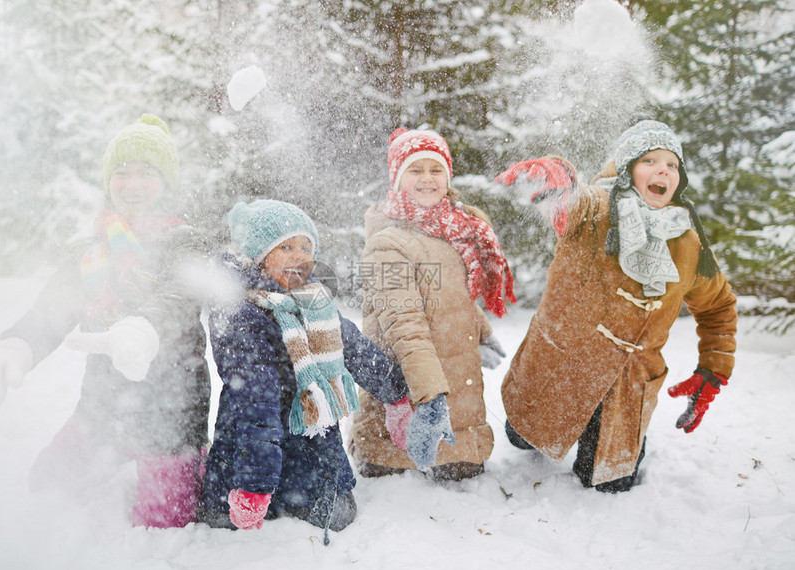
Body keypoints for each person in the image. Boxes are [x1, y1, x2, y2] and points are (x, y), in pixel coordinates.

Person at [0, 114, 211, 526]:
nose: (132, 184)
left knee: (163, 523)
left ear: (167, 183)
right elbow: (52, 309)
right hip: (104, 409)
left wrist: (142, 330)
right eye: (122, 172)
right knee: (46, 486)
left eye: (146, 173)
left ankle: (194, 461)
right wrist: (16, 346)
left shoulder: (185, 241)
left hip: (171, 414)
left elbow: (180, 299)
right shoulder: (89, 251)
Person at [494, 119, 737, 493]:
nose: (663, 170)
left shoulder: (689, 242)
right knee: (523, 438)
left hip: (626, 386)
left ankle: (623, 443)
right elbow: (570, 204)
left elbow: (718, 307)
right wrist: (557, 185)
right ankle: (529, 426)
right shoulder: (597, 208)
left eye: (672, 164)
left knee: (608, 483)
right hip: (564, 367)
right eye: (650, 161)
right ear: (626, 170)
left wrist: (713, 369)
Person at [198, 199, 411, 540]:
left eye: (306, 246)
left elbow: (355, 349)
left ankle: (294, 494)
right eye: (286, 246)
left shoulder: (314, 304)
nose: (300, 256)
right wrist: (254, 484)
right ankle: (248, 497)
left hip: (311, 444)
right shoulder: (238, 311)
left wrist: (398, 397)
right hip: (248, 450)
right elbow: (255, 399)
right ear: (258, 255)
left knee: (339, 515)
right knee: (228, 529)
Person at [348, 128, 516, 482]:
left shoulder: (455, 230)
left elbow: (452, 293)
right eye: (415, 170)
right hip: (404, 422)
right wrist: (428, 400)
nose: (427, 179)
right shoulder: (386, 245)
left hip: (457, 418)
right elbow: (404, 325)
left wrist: (479, 329)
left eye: (435, 169)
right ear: (397, 179)